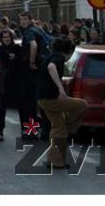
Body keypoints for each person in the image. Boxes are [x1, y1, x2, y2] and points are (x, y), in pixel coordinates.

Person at [37, 37, 88, 169]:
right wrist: (60, 87)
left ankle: (55, 161)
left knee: (58, 127)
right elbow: (51, 67)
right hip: (51, 99)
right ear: (70, 51)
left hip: (42, 98)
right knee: (83, 105)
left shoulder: (51, 55)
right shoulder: (58, 58)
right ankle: (70, 125)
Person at [19, 11, 53, 140]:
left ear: (29, 19)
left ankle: (31, 132)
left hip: (33, 71)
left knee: (29, 103)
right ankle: (46, 131)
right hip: (43, 69)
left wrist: (31, 62)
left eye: (25, 19)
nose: (23, 21)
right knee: (42, 101)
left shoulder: (29, 32)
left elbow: (33, 45)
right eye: (21, 19)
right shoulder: (38, 29)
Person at [0, 29, 26, 138]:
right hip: (5, 81)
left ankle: (26, 130)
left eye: (8, 37)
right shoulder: (0, 49)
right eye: (4, 37)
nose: (6, 39)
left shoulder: (17, 48)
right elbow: (0, 62)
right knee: (2, 107)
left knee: (22, 107)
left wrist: (16, 58)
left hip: (17, 81)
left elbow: (23, 61)